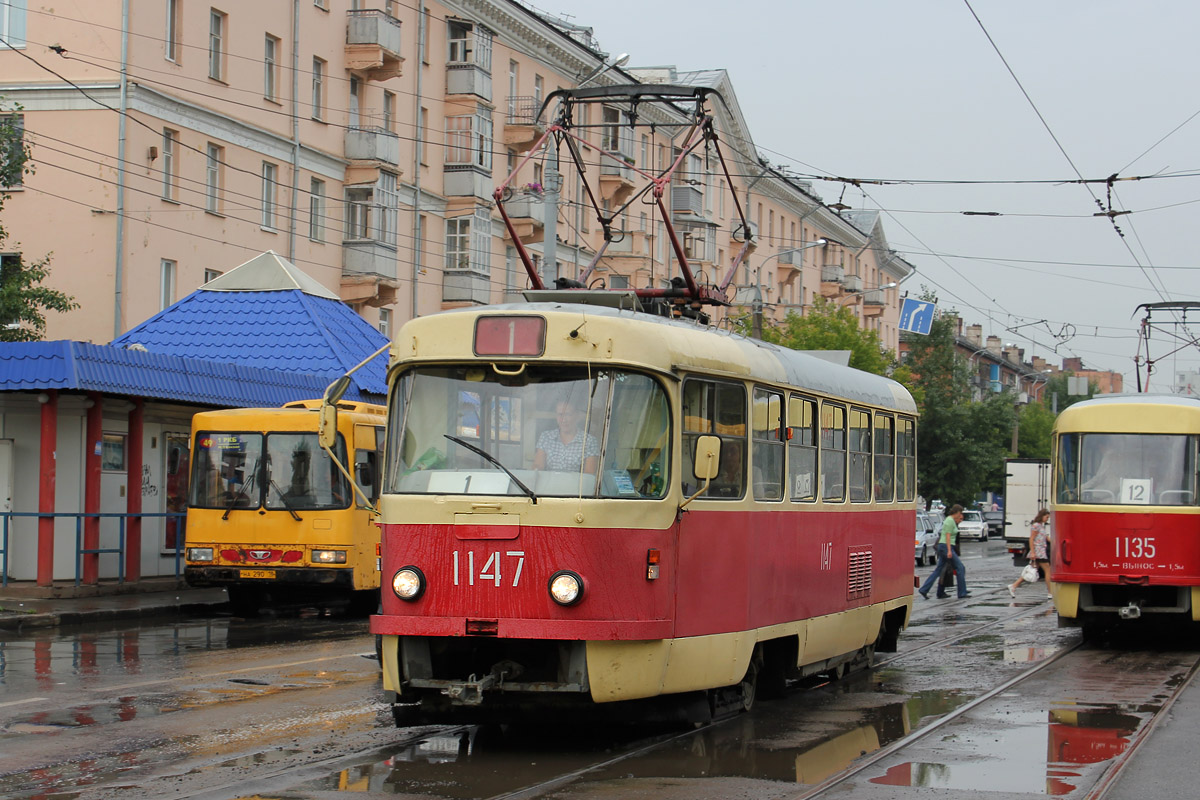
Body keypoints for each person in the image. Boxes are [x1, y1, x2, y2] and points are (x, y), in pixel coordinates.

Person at [918, 504, 971, 600]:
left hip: (945, 546)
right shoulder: (949, 521)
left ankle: (924, 589)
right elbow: (947, 536)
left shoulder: (950, 520)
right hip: (946, 546)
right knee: (960, 568)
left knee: (939, 570)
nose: (960, 515)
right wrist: (949, 551)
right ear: (956, 512)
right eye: (960, 513)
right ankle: (962, 592)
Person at [534, 399, 600, 473]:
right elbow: (538, 467)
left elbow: (589, 474)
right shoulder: (546, 437)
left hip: (576, 481)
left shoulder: (589, 441)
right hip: (549, 480)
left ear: (577, 415)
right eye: (560, 414)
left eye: (568, 414)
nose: (564, 420)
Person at [1007, 508, 1054, 599]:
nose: (1047, 519)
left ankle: (1013, 586)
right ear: (1042, 516)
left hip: (1040, 551)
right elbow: (1031, 539)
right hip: (1038, 551)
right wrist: (1032, 552)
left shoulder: (1041, 526)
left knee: (1031, 571)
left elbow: (1045, 537)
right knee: (1048, 570)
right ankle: (1050, 593)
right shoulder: (1036, 526)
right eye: (1046, 517)